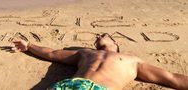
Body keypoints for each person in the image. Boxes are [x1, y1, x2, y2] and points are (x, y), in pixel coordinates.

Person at [13, 33, 188, 90]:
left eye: (102, 35)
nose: (97, 36)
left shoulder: (132, 61)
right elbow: (52, 53)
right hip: (68, 86)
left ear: (115, 43)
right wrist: (29, 45)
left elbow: (170, 78)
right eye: (97, 38)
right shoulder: (85, 53)